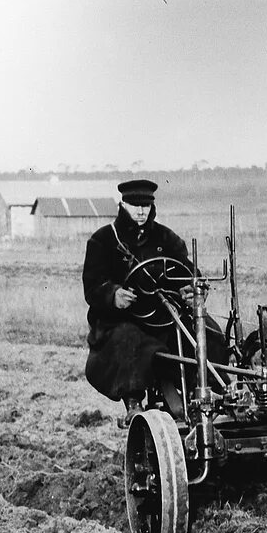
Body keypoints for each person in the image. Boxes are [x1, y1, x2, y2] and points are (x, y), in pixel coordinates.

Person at [82, 179, 201, 422]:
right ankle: (133, 402)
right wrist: (112, 295)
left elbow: (186, 273)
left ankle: (205, 394)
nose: (141, 211)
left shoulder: (167, 238)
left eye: (146, 206)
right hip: (122, 320)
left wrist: (188, 289)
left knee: (205, 333)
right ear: (122, 205)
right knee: (129, 339)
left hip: (165, 318)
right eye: (135, 205)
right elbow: (92, 286)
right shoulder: (103, 240)